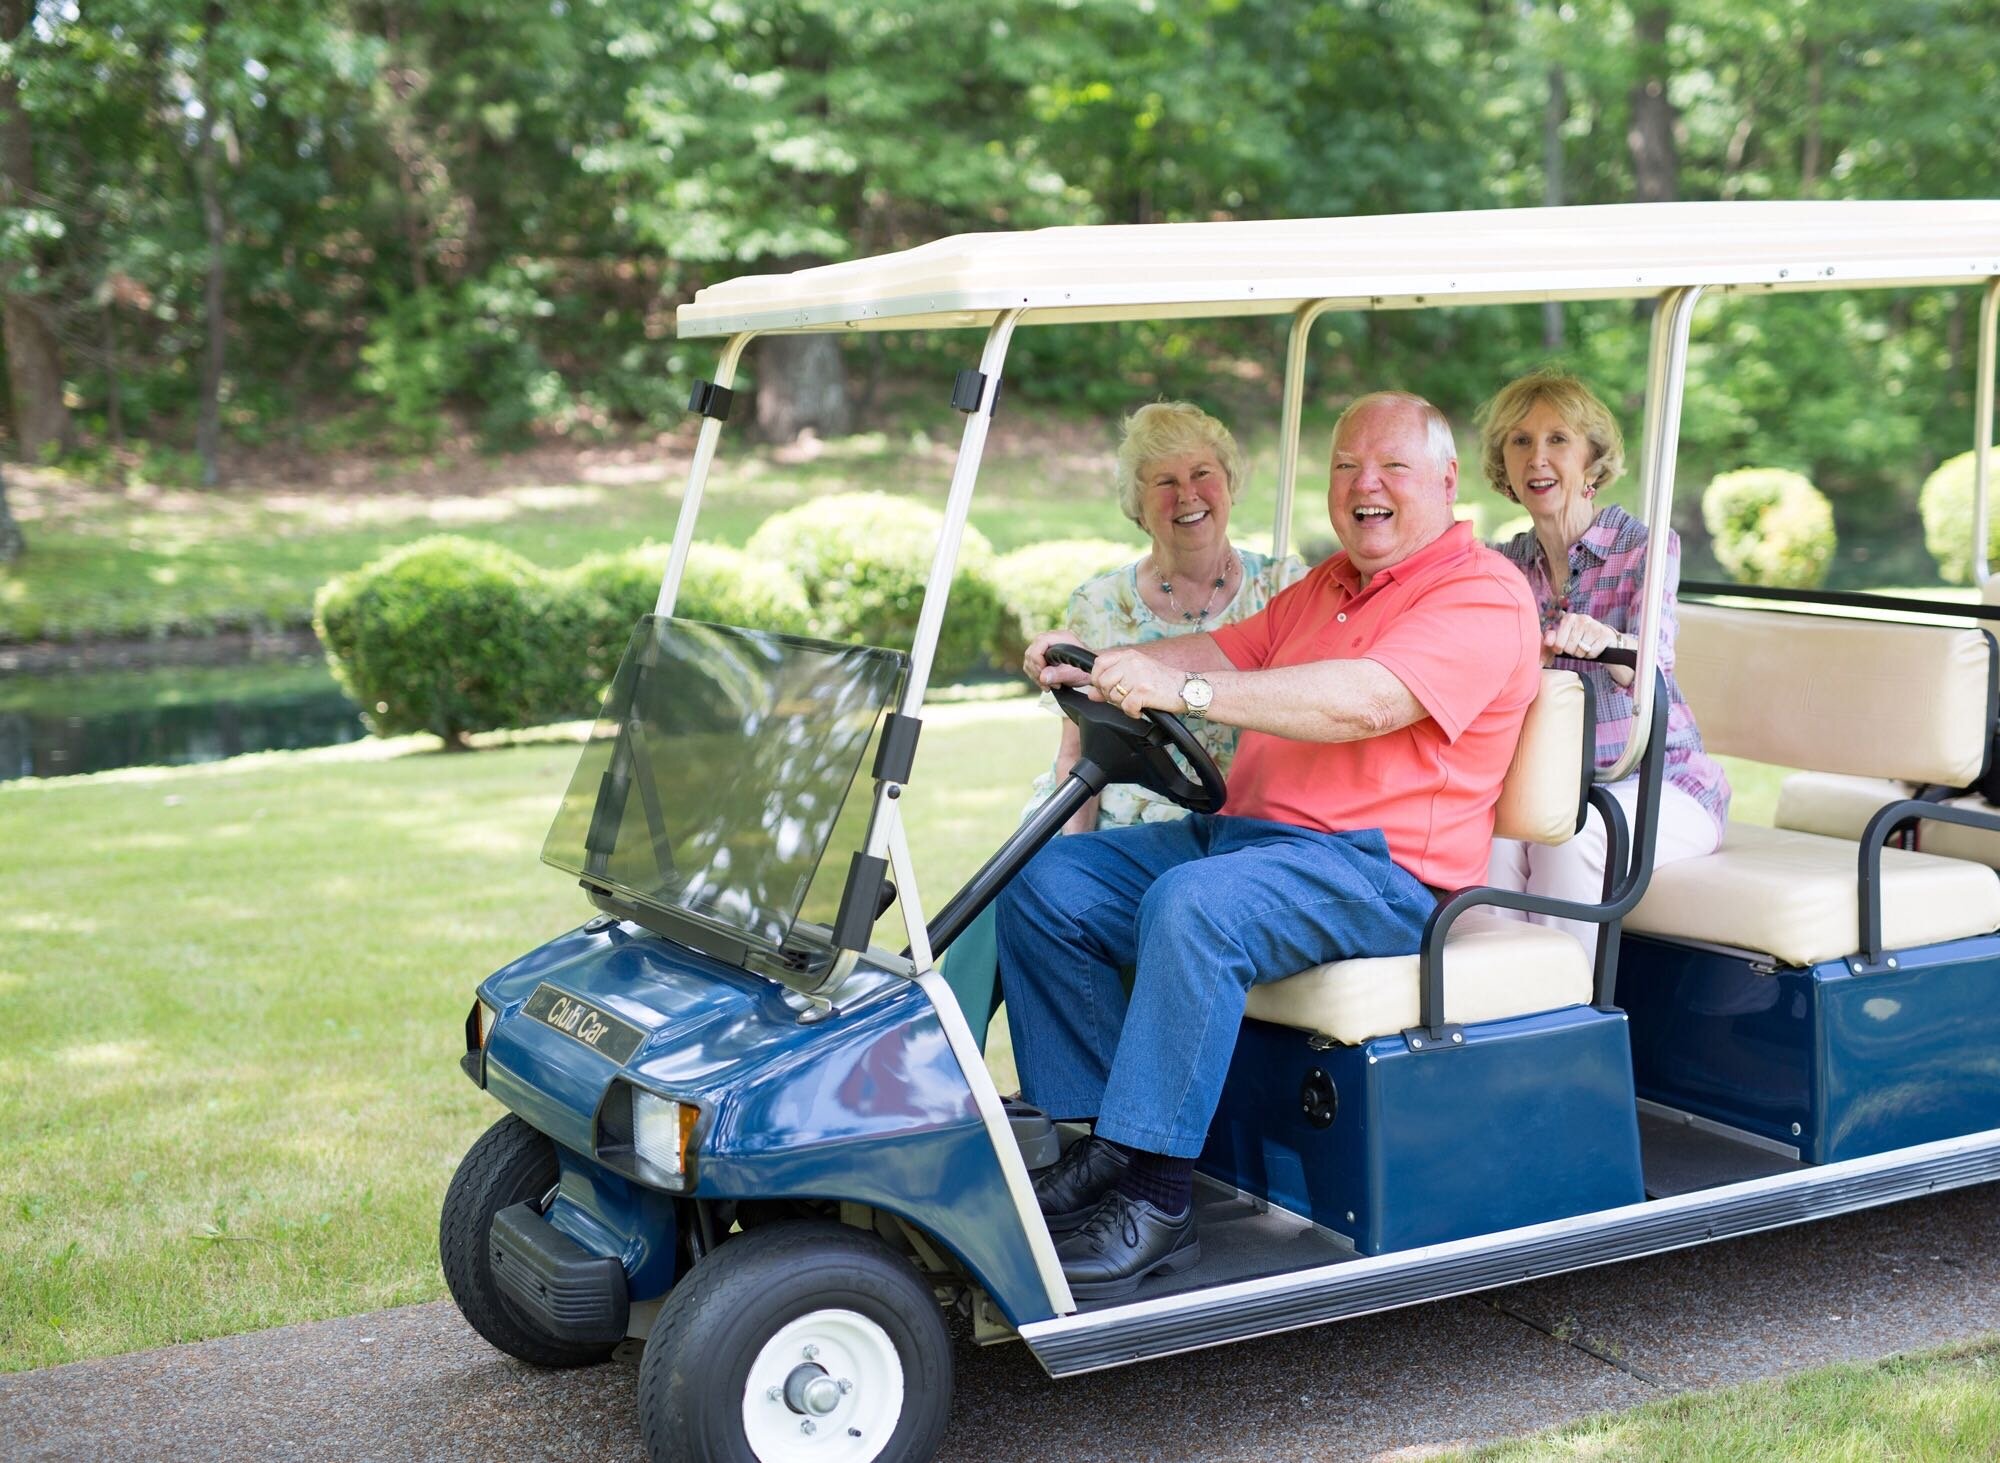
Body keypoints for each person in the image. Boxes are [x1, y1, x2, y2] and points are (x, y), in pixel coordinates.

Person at [999, 392, 1542, 1298]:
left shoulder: (1479, 593)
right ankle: (1097, 1153)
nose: (1364, 485)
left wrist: (1188, 697)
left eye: (1392, 468)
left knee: (1194, 905)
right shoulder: (1325, 588)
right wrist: (1100, 661)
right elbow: (1223, 650)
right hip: (1250, 844)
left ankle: (1158, 1203)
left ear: (1447, 481)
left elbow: (1365, 699)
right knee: (1049, 877)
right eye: (1344, 467)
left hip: (1379, 871)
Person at [939, 402, 1303, 1037]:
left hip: (1224, 823)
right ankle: (933, 1068)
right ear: (1138, 504)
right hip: (1108, 810)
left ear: (1230, 482)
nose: (1187, 495)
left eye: (1201, 473)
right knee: (1013, 881)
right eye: (1163, 482)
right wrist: (1069, 859)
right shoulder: (1099, 604)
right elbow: (1074, 755)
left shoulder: (1284, 591)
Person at [1476, 367, 1729, 955]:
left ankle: (1561, 1013)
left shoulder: (1643, 548)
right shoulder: (1503, 565)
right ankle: (1494, 1013)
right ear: (1505, 467)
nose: (1538, 457)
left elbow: (1652, 664)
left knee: (1570, 839)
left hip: (1657, 783)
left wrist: (1608, 643)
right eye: (1520, 442)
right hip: (1548, 784)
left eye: (1558, 440)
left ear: (1592, 460)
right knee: (1485, 838)